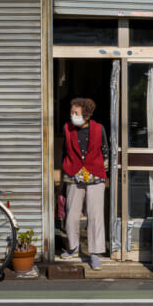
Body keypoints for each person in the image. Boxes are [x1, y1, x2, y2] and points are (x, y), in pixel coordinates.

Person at [59, 97, 108, 271]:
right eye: (71, 112)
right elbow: (64, 151)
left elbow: (105, 151)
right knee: (72, 214)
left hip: (95, 175)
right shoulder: (67, 128)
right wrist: (64, 172)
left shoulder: (99, 129)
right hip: (73, 174)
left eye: (76, 113)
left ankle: (95, 253)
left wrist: (104, 173)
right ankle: (73, 247)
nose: (73, 116)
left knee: (95, 215)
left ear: (86, 115)